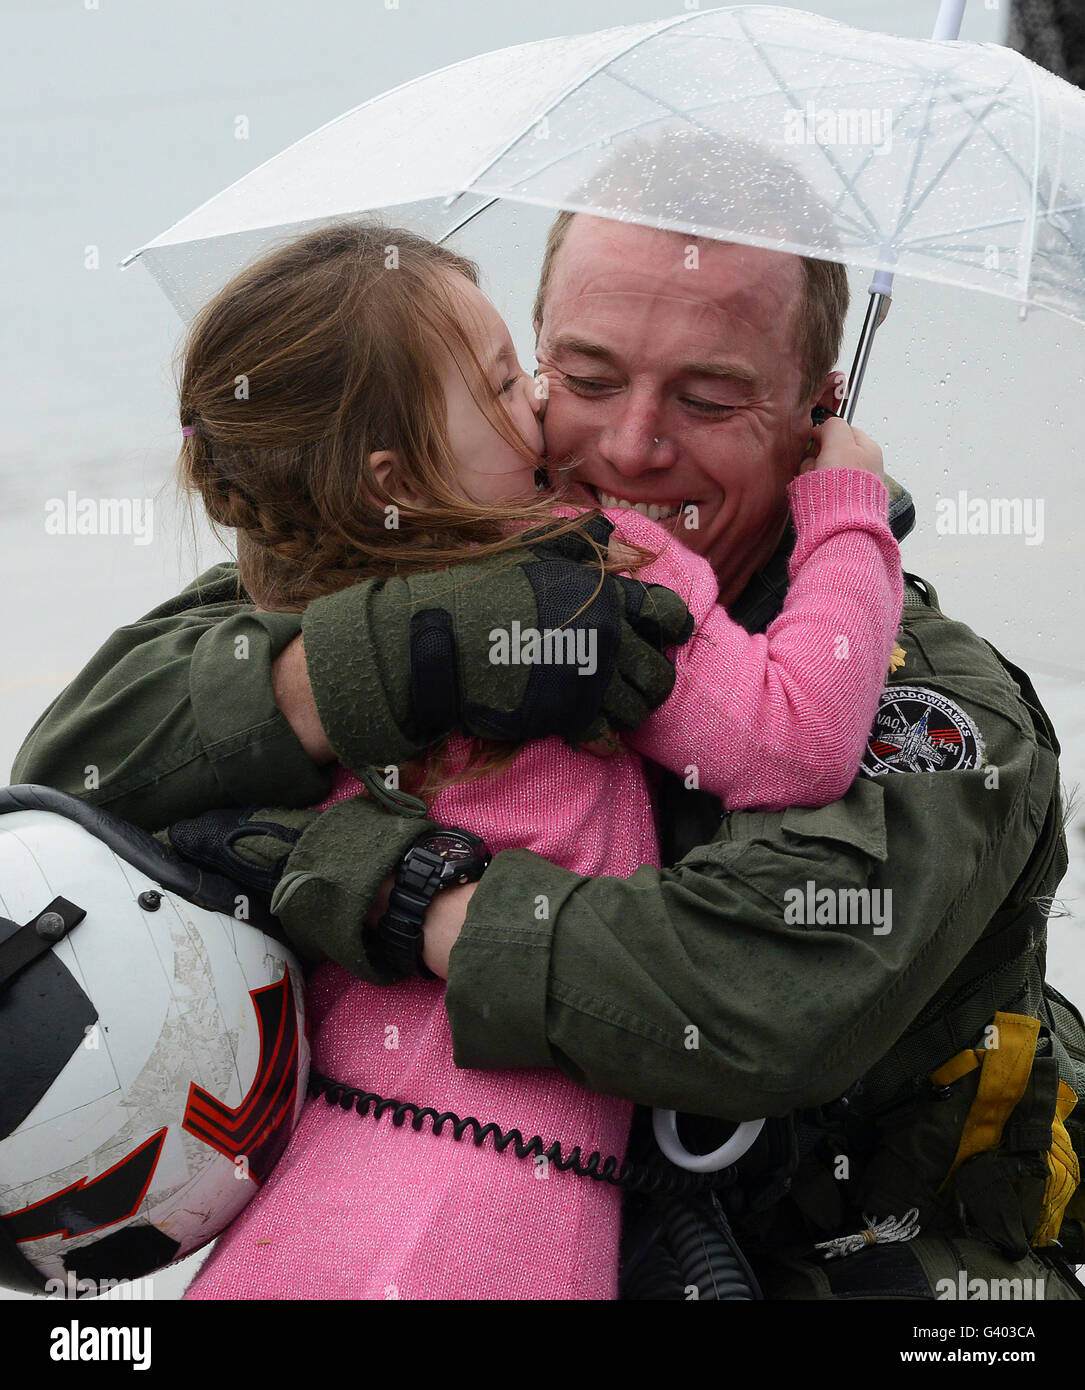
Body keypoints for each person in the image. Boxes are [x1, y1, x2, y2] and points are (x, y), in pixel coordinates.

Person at [12, 202, 1083, 1300]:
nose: (629, 444)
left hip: (840, 1260)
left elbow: (748, 999)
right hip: (421, 1211)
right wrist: (400, 659)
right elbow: (77, 775)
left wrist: (396, 888)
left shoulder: (935, 706)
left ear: (816, 414)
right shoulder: (415, 558)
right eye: (581, 376)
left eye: (707, 398)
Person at [156, 217, 900, 1299]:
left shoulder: (299, 601)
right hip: (499, 1192)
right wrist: (845, 506)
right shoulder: (593, 559)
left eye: (524, 373)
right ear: (395, 465)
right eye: (518, 382)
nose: (548, 412)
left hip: (297, 1189)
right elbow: (794, 740)